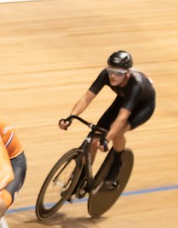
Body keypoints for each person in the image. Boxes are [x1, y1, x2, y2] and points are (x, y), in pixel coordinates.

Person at [59, 50, 155, 189]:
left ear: (127, 73)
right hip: (123, 99)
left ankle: (117, 164)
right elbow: (87, 98)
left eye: (119, 73)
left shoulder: (136, 85)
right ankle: (82, 176)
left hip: (142, 106)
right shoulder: (106, 74)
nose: (113, 76)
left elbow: (122, 117)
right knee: (94, 138)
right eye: (111, 71)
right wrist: (71, 117)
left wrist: (107, 139)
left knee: (117, 132)